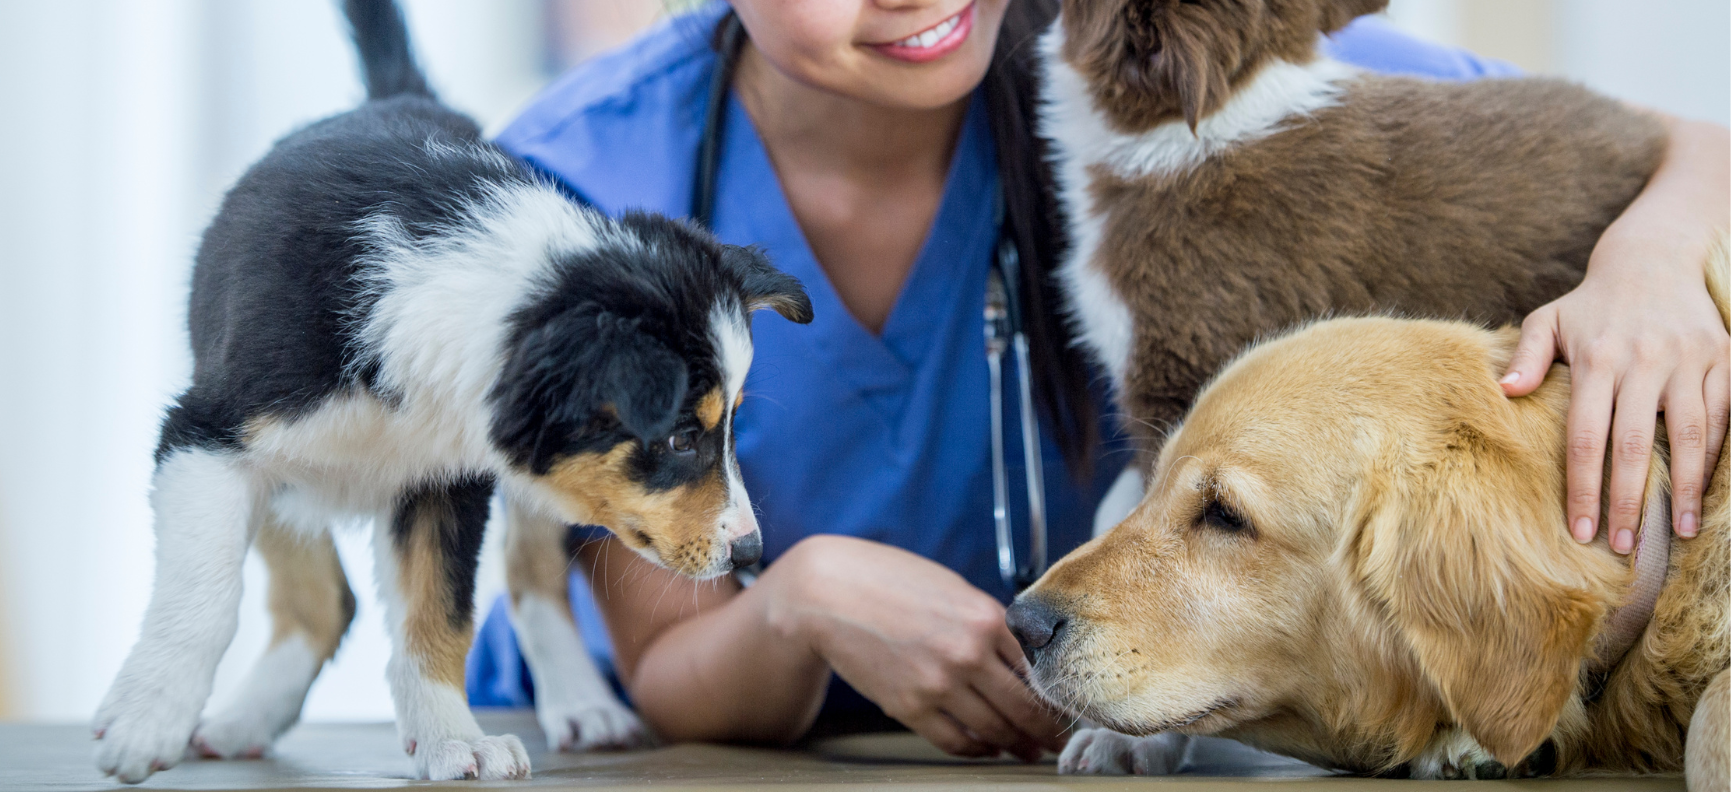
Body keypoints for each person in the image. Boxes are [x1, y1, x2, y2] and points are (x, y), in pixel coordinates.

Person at [467, 0, 1731, 760]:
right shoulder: (574, 190)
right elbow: (664, 673)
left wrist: (1663, 256)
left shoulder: (1145, 60)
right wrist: (800, 596)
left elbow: (1697, 148)